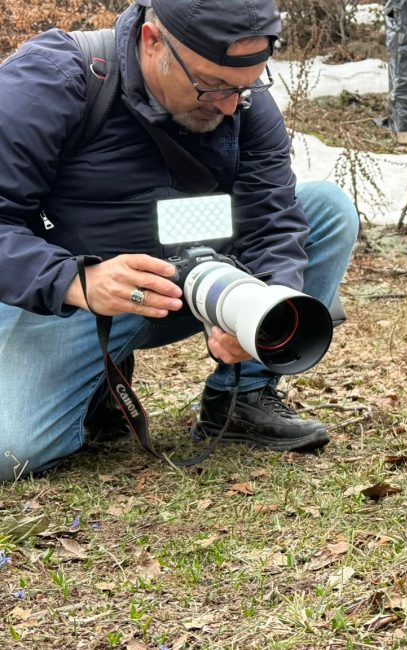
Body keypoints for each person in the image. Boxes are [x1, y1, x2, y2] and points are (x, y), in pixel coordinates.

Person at [0, 0, 359, 480]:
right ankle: (97, 380)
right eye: (212, 86)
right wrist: (74, 280)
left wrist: (263, 308)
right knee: (13, 451)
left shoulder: (242, 99)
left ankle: (243, 396)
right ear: (153, 42)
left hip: (186, 276)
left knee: (327, 208)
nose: (231, 105)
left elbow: (271, 218)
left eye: (246, 86)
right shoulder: (54, 79)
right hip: (79, 295)